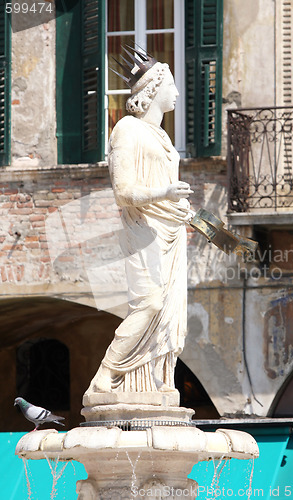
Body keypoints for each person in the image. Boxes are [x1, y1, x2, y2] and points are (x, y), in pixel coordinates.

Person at [85, 50, 192, 395]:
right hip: (142, 229)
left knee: (169, 312)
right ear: (152, 90)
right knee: (150, 303)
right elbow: (124, 191)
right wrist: (166, 191)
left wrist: (182, 207)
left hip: (170, 231)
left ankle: (159, 380)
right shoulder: (126, 130)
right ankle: (105, 375)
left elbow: (165, 186)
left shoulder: (162, 137)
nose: (176, 92)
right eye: (171, 85)